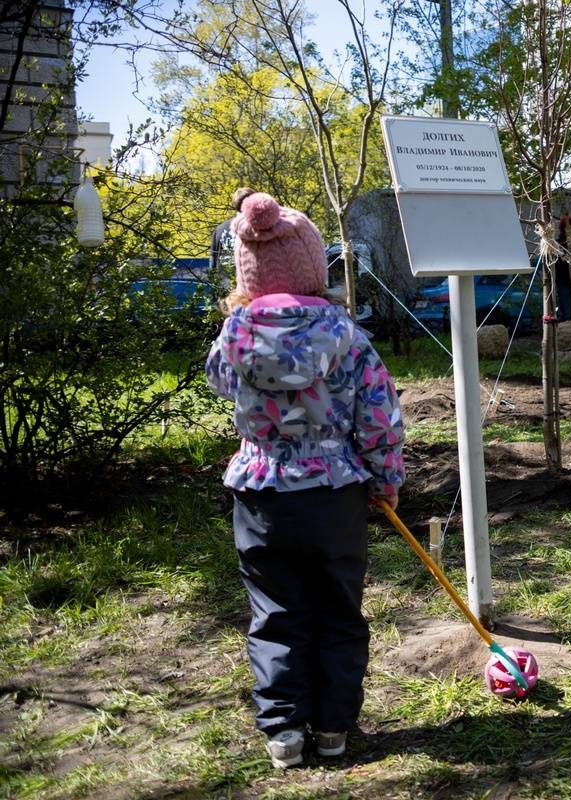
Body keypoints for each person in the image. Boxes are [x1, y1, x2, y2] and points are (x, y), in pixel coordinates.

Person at [205, 192, 405, 769]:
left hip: (261, 490)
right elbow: (378, 412)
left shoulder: (233, 336)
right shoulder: (345, 335)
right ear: (316, 267)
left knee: (275, 611)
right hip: (333, 490)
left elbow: (221, 382)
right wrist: (385, 477)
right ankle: (335, 727)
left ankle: (285, 732)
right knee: (338, 609)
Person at [210, 187, 256, 289]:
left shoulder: (219, 229)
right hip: (250, 289)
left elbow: (213, 264)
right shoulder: (258, 227)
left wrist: (214, 293)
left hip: (225, 291)